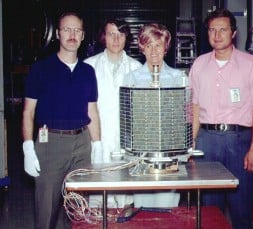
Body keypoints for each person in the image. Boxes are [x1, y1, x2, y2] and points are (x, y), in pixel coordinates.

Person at [189, 8, 253, 229]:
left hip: (239, 142)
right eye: (212, 30)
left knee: (241, 208)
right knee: (209, 210)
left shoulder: (251, 65)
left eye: (223, 29)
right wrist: (192, 145)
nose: (217, 35)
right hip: (206, 142)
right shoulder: (199, 65)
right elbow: (194, 107)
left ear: (233, 33)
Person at [22, 11, 101, 229]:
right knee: (46, 210)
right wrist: (28, 147)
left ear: (83, 35)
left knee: (80, 211)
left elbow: (92, 110)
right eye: (67, 29)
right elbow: (28, 111)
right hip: (51, 145)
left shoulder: (88, 71)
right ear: (58, 33)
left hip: (82, 144)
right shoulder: (41, 69)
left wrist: (97, 144)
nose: (72, 35)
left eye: (77, 30)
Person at [123, 23, 186, 208]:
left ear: (166, 47)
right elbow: (128, 119)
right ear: (141, 47)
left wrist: (180, 154)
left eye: (158, 45)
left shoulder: (178, 78)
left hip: (169, 157)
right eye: (148, 45)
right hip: (142, 157)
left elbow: (182, 119)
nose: (153, 51)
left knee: (167, 210)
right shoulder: (131, 79)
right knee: (143, 209)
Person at [84, 19, 141, 209]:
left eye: (121, 35)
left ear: (127, 38)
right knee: (99, 200)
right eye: (111, 34)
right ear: (103, 37)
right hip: (98, 141)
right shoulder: (88, 67)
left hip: (127, 144)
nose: (116, 39)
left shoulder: (137, 69)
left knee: (126, 200)